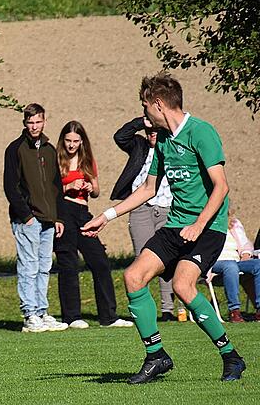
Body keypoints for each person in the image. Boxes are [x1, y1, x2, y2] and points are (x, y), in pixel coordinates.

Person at [82, 72, 245, 383]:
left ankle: (231, 356)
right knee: (133, 276)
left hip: (207, 228)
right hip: (176, 227)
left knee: (184, 287)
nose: (144, 115)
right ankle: (157, 356)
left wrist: (198, 225)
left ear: (157, 104)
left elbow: (221, 187)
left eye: (145, 107)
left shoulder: (201, 132)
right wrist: (106, 216)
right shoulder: (165, 142)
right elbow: (147, 189)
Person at [54, 121, 133, 329]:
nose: (71, 145)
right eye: (68, 141)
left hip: (82, 212)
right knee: (69, 263)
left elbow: (97, 191)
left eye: (76, 141)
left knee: (100, 262)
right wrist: (68, 186)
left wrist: (90, 186)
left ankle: (109, 316)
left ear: (82, 142)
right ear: (63, 140)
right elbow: (50, 191)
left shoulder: (87, 160)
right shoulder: (56, 159)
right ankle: (72, 317)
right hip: (63, 210)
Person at [3, 103, 68, 333]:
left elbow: (55, 185)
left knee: (44, 267)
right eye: (30, 122)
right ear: (25, 123)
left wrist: (58, 217)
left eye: (38, 122)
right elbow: (10, 187)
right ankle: (30, 315)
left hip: (49, 219)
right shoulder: (15, 149)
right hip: (27, 220)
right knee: (28, 267)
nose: (34, 126)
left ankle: (42, 312)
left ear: (44, 121)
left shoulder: (50, 150)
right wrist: (26, 216)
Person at [112, 116, 176, 321]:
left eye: (156, 130)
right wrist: (142, 122)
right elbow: (120, 137)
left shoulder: (172, 146)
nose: (152, 134)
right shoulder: (139, 146)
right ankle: (145, 310)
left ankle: (168, 310)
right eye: (150, 131)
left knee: (165, 259)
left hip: (167, 208)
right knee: (142, 259)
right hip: (140, 209)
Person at [210, 213, 260, 322]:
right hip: (215, 264)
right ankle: (234, 311)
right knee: (230, 266)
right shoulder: (204, 223)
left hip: (236, 262)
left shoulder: (233, 223)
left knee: (258, 264)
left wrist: (246, 253)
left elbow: (245, 243)